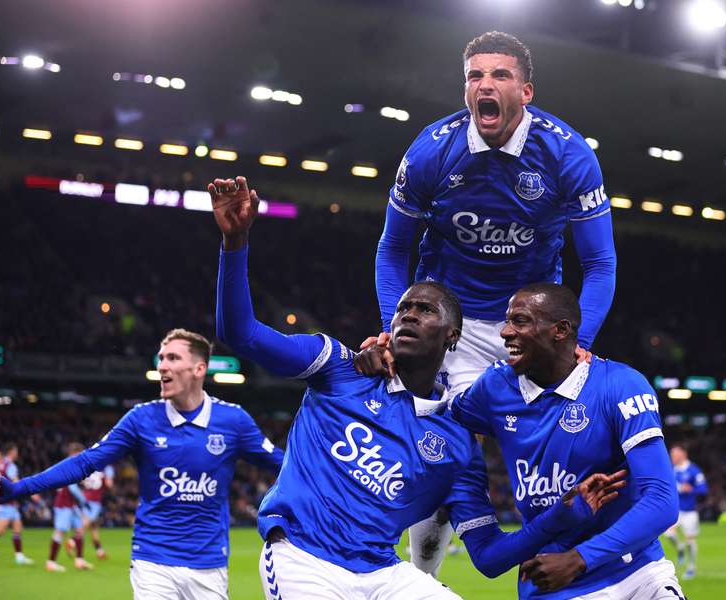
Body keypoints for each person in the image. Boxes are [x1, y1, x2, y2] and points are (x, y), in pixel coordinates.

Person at [208, 176, 626, 600]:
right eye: (403, 308)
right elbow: (240, 333)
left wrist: (561, 515)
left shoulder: (458, 442)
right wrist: (235, 244)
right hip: (303, 559)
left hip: (380, 572)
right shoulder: (340, 367)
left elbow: (490, 556)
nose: (407, 315)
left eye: (424, 310)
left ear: (452, 336)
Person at [373, 30, 617, 575]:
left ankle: (584, 570)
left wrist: (581, 341)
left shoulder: (568, 154)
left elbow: (599, 264)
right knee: (441, 452)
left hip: (528, 326)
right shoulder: (432, 150)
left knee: (568, 451)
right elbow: (393, 249)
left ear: (525, 91)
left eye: (500, 75)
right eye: (474, 76)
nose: (485, 84)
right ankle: (419, 580)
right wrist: (395, 325)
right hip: (449, 323)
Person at [358, 283, 683, 598]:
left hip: (638, 572)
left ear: (561, 330)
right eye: (507, 320)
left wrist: (581, 558)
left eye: (520, 321)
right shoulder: (494, 388)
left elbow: (663, 502)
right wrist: (389, 362)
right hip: (552, 582)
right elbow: (433, 409)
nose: (504, 332)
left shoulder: (621, 385)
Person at [0, 328, 284, 600]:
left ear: (199, 369)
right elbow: (85, 462)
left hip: (209, 566)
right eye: (161, 358)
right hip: (152, 560)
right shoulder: (141, 420)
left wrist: (329, 474)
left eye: (173, 358)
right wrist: (20, 488)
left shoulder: (233, 421)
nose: (162, 365)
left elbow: (284, 465)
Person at [663, 444, 708, 579]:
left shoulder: (694, 470)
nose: (673, 457)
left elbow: (703, 489)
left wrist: (691, 489)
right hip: (676, 511)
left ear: (684, 454)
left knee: (690, 541)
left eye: (675, 454)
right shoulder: (671, 470)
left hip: (690, 512)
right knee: (668, 534)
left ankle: (691, 567)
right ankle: (680, 548)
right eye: (672, 455)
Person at [49, 443, 93, 572]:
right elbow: (73, 488)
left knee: (79, 529)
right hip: (63, 504)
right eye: (79, 453)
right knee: (60, 531)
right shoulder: (71, 465)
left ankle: (79, 560)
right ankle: (51, 562)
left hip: (71, 504)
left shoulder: (68, 464)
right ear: (73, 453)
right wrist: (84, 501)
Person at [80, 464, 115, 559]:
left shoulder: (90, 466)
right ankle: (73, 542)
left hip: (85, 497)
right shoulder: (107, 467)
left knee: (94, 527)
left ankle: (99, 551)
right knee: (85, 525)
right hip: (94, 500)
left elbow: (82, 480)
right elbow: (109, 484)